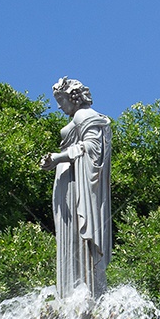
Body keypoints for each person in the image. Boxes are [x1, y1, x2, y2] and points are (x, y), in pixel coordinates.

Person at [40, 79, 112, 299]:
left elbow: (93, 149)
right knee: (70, 240)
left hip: (77, 187)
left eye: (60, 100)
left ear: (73, 97)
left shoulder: (84, 115)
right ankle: (76, 290)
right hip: (70, 184)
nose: (59, 106)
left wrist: (58, 157)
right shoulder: (77, 118)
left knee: (77, 239)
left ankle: (82, 291)